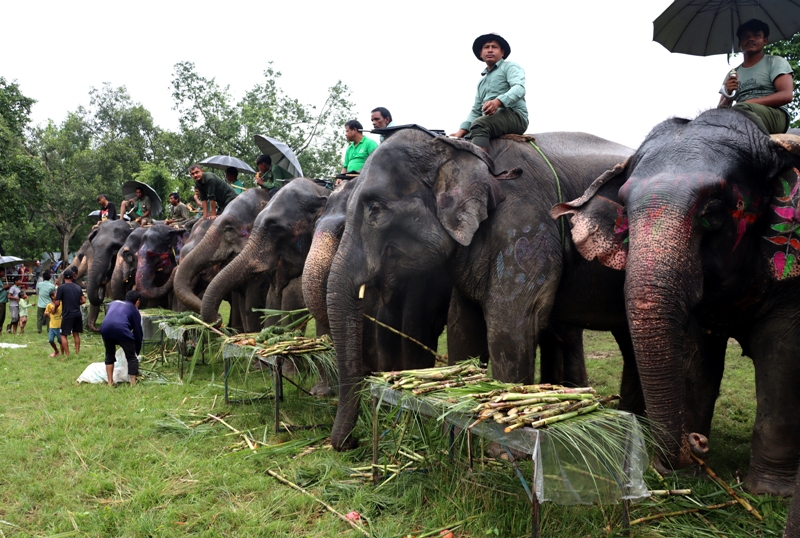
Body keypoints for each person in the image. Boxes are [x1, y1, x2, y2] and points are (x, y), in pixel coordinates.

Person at [450, 33, 529, 151]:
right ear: (480, 53)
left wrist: (498, 102)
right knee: (466, 139)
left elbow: (519, 88)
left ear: (502, 52)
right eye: (486, 47)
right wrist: (460, 132)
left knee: (479, 125)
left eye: (494, 47)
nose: (490, 50)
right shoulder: (481, 82)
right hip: (489, 121)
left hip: (515, 116)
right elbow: (476, 110)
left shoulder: (510, 67)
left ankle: (480, 162)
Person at [718, 19, 794, 134]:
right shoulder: (732, 73)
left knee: (740, 109)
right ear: (739, 43)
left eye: (757, 35)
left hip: (775, 115)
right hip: (740, 115)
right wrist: (728, 94)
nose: (751, 39)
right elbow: (720, 111)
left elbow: (786, 95)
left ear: (765, 40)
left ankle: (761, 141)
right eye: (745, 36)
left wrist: (751, 102)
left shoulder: (775, 62)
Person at [101, 289, 143, 386]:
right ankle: (132, 383)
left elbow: (110, 317)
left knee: (109, 354)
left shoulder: (113, 303)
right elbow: (138, 332)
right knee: (131, 357)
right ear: (137, 301)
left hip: (105, 329)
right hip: (121, 330)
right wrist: (136, 351)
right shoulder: (134, 309)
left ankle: (110, 382)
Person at [53, 269, 85, 355]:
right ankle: (77, 353)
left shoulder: (61, 288)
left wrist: (54, 309)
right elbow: (83, 300)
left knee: (63, 335)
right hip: (77, 314)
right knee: (76, 333)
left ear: (64, 277)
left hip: (67, 314)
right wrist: (76, 302)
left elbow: (57, 302)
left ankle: (67, 354)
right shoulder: (78, 287)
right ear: (73, 277)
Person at [44, 289, 63, 357]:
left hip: (60, 325)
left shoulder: (62, 304)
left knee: (61, 340)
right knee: (51, 340)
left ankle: (62, 353)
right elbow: (46, 313)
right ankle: (56, 351)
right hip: (52, 326)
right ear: (52, 297)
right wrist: (47, 314)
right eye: (56, 294)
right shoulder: (49, 305)